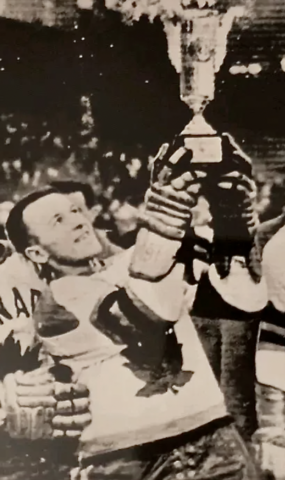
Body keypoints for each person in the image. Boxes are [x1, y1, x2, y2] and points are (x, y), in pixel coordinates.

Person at [3, 139, 262, 480]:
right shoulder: (55, 306)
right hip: (127, 462)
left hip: (213, 440)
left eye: (76, 211)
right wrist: (167, 209)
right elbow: (144, 316)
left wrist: (235, 227)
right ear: (37, 254)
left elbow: (243, 300)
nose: (78, 222)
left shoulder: (134, 258)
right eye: (58, 221)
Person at [179, 133, 267, 444]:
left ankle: (241, 451)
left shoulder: (239, 211)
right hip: (204, 304)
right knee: (209, 385)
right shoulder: (197, 220)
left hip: (236, 305)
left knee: (235, 386)